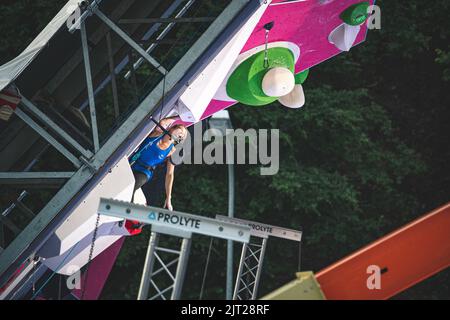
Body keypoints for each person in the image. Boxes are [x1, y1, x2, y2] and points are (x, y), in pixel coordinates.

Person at [130, 117, 187, 210]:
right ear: (172, 128)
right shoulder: (157, 134)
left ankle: (128, 214)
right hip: (132, 162)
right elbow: (163, 122)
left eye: (182, 135)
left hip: (144, 172)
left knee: (132, 186)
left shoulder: (172, 151)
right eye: (179, 130)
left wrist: (169, 198)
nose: (180, 134)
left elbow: (169, 174)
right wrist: (179, 117)